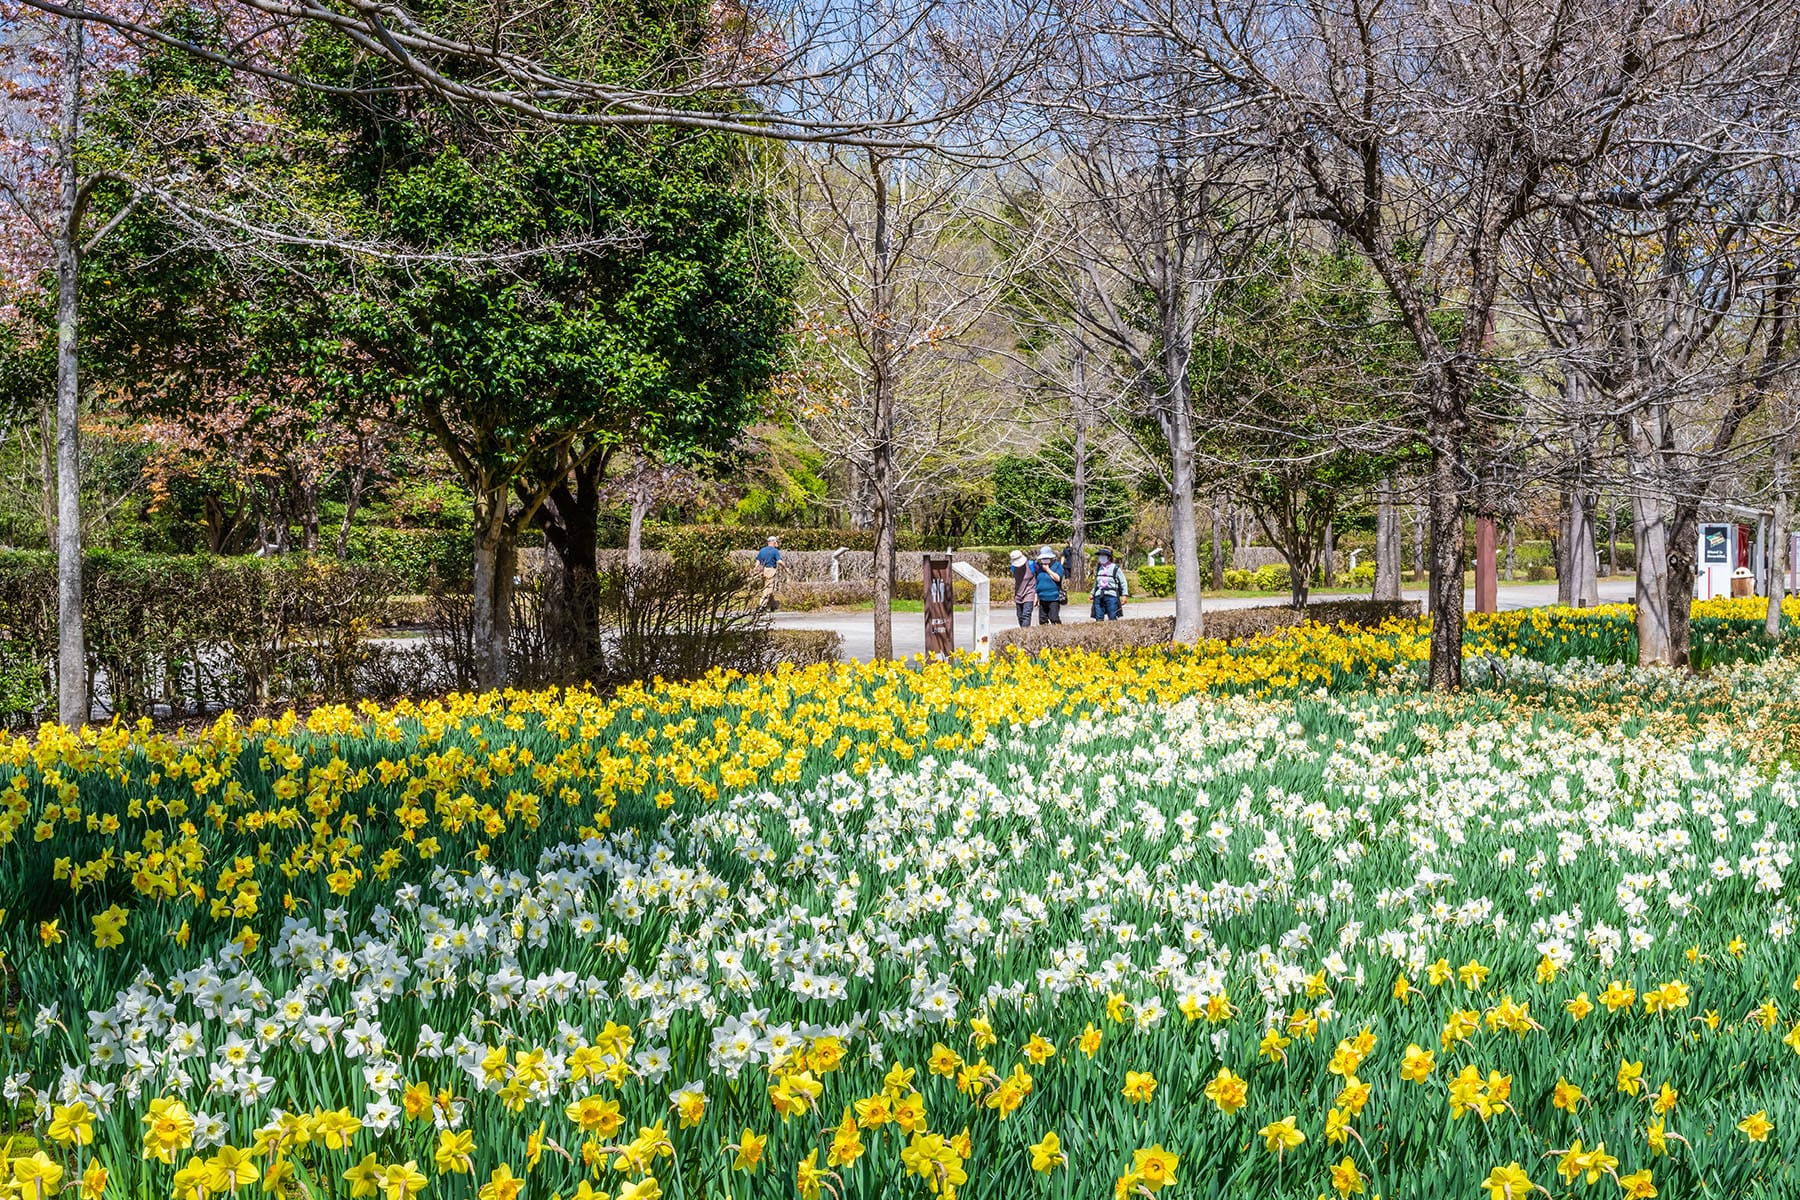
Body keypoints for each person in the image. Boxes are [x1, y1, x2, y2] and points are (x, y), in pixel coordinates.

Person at [1032, 545, 1064, 624]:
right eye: (1043, 559)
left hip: (1054, 597)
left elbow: (1058, 578)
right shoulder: (1039, 567)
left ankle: (1059, 632)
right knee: (1042, 619)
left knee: (1054, 618)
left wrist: (1048, 570)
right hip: (1042, 597)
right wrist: (1036, 597)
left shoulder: (1057, 566)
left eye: (1046, 558)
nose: (1044, 560)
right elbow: (1037, 582)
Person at [1092, 548, 1128, 620]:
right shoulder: (1099, 568)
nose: (1101, 558)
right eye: (1100, 556)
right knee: (1098, 617)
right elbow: (1096, 582)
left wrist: (1124, 595)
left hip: (1111, 595)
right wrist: (1092, 593)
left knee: (1112, 616)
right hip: (1099, 595)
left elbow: (1123, 582)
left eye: (1103, 556)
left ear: (1108, 557)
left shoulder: (1115, 568)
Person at [755, 536, 782, 610]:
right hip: (771, 570)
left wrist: (755, 569)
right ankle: (761, 605)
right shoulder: (775, 551)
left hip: (763, 570)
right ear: (774, 542)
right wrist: (785, 568)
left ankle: (773, 605)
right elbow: (779, 561)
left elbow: (758, 561)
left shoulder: (762, 550)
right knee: (768, 588)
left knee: (766, 586)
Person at [1010, 549, 1036, 626]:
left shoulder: (1031, 564)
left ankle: (1025, 634)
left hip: (1029, 593)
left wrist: (1036, 594)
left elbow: (1038, 576)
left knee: (1026, 615)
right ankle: (1023, 632)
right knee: (1020, 616)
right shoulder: (1013, 567)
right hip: (1018, 594)